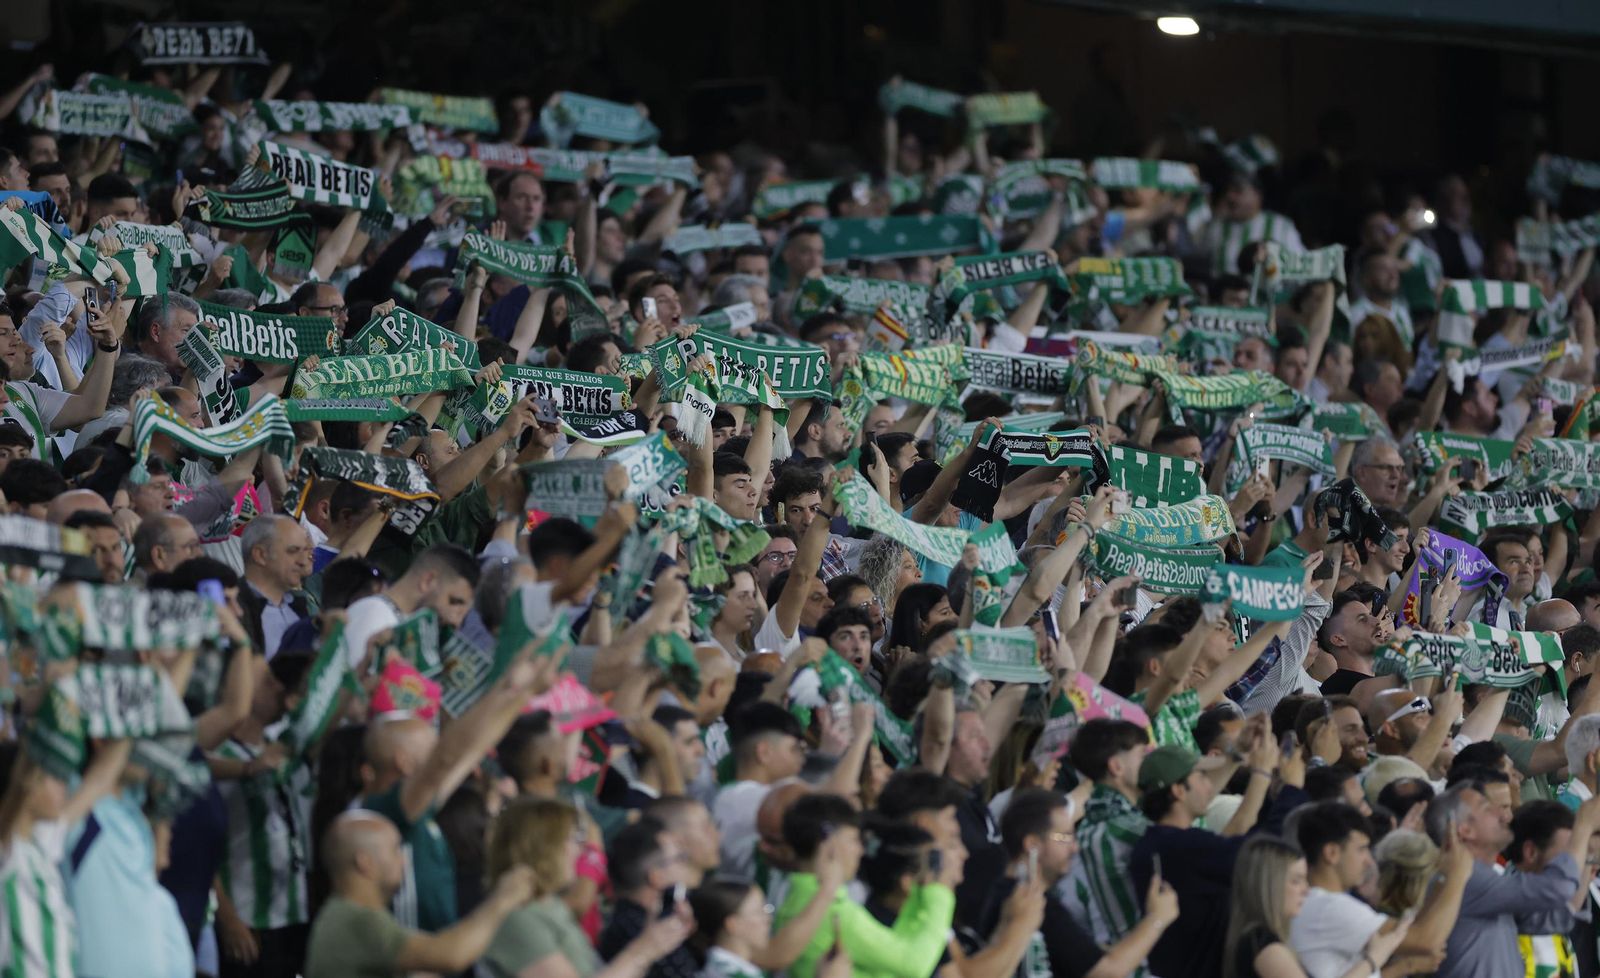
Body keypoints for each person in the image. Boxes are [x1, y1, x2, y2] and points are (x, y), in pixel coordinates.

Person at [303, 810, 538, 978]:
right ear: (365, 863)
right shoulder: (357, 921)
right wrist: (503, 898)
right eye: (396, 850)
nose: (405, 860)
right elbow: (451, 955)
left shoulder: (342, 914)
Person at [993, 787, 1177, 978]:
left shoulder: (1005, 893)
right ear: (1032, 844)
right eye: (1064, 837)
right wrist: (1157, 918)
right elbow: (1105, 972)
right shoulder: (1029, 903)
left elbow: (1084, 957)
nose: (1074, 847)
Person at [1426, 779, 1600, 978]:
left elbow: (1558, 917)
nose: (1503, 815)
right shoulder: (1466, 879)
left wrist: (1587, 846)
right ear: (1465, 829)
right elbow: (1558, 887)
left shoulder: (1488, 880)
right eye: (1487, 809)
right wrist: (1583, 825)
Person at [1222, 835, 1406, 978]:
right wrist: (1373, 960)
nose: (1306, 890)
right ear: (1269, 885)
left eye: (1304, 880)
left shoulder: (1258, 937)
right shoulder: (1264, 944)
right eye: (1296, 881)